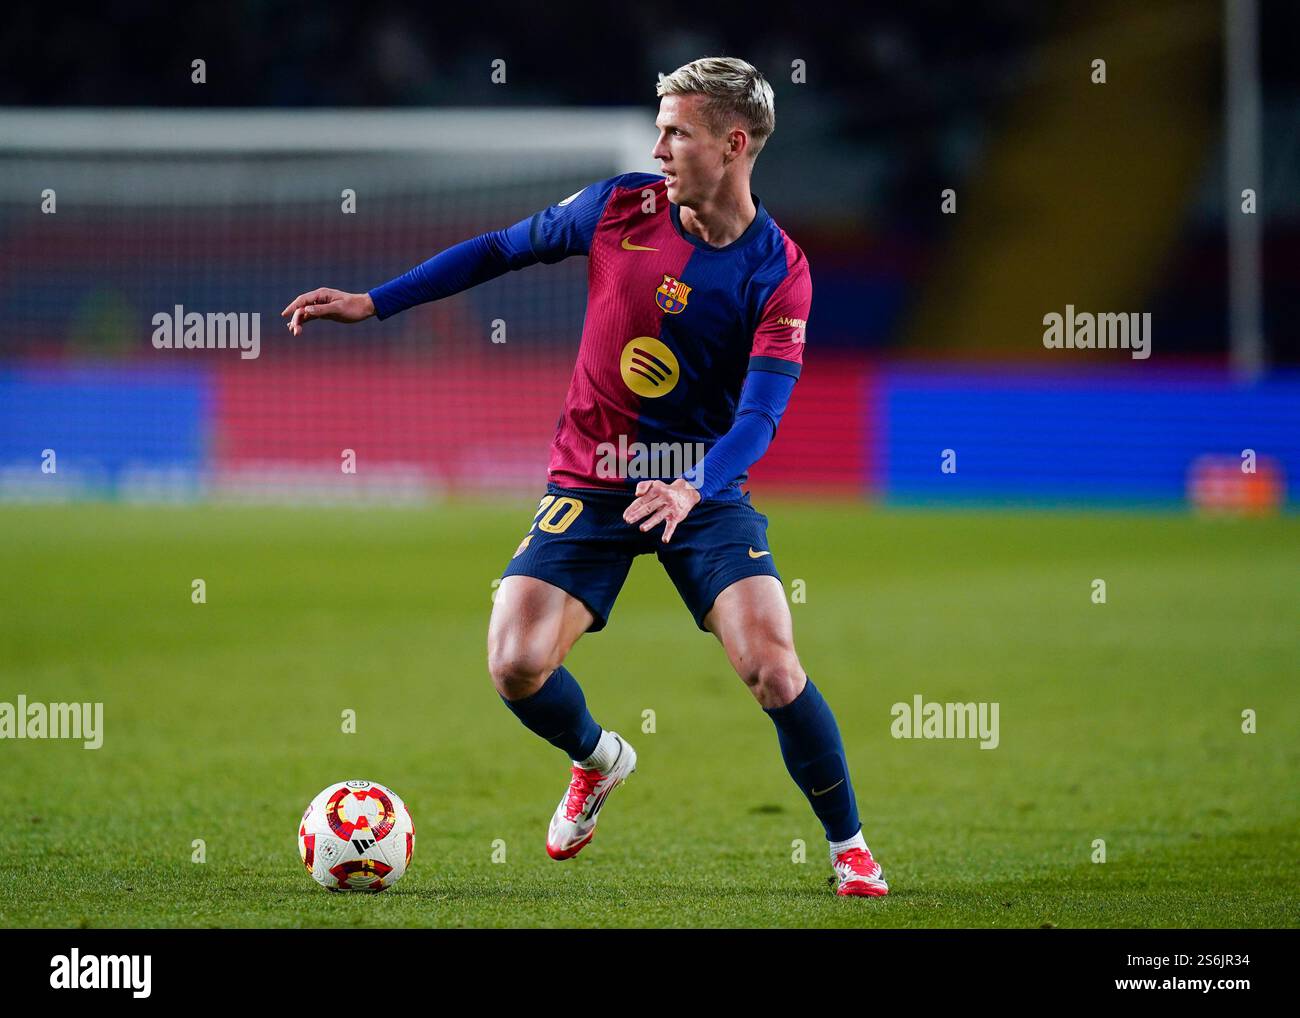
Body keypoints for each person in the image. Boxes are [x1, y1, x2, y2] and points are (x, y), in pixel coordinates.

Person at [281, 56, 887, 896]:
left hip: (698, 489)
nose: (660, 144)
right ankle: (598, 759)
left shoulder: (778, 269)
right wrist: (375, 302)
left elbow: (759, 417)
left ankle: (848, 846)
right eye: (659, 126)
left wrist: (692, 486)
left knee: (774, 668)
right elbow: (497, 250)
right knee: (515, 664)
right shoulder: (617, 209)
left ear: (734, 143)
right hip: (590, 480)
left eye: (678, 130)